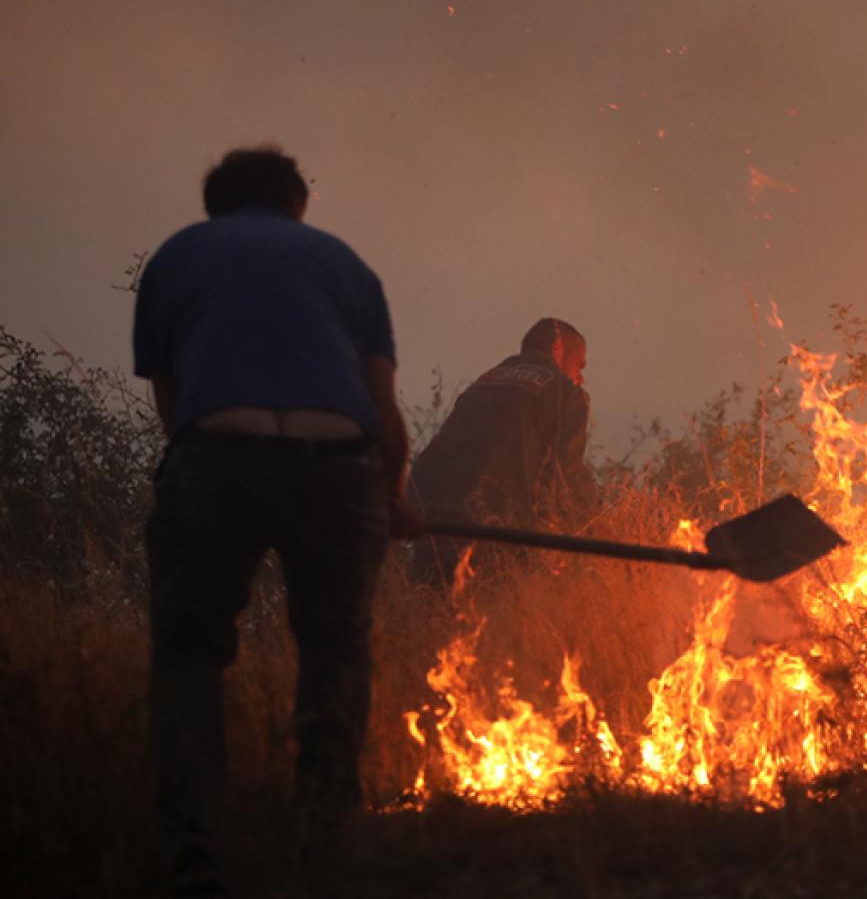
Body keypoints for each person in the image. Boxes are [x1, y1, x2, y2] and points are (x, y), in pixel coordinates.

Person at [133, 147, 416, 890]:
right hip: (340, 465)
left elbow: (174, 401)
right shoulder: (345, 266)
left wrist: (211, 471)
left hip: (217, 452)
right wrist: (390, 500)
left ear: (215, 204)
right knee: (334, 648)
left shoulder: (176, 258)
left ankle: (192, 851)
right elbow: (384, 413)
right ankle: (323, 844)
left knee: (191, 652)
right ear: (297, 201)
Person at [407, 318, 595, 586]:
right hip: (494, 531)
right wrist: (602, 525)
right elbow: (567, 477)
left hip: (433, 519)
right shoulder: (565, 393)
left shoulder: (484, 382)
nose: (581, 377)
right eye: (579, 365)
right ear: (557, 348)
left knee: (428, 620)